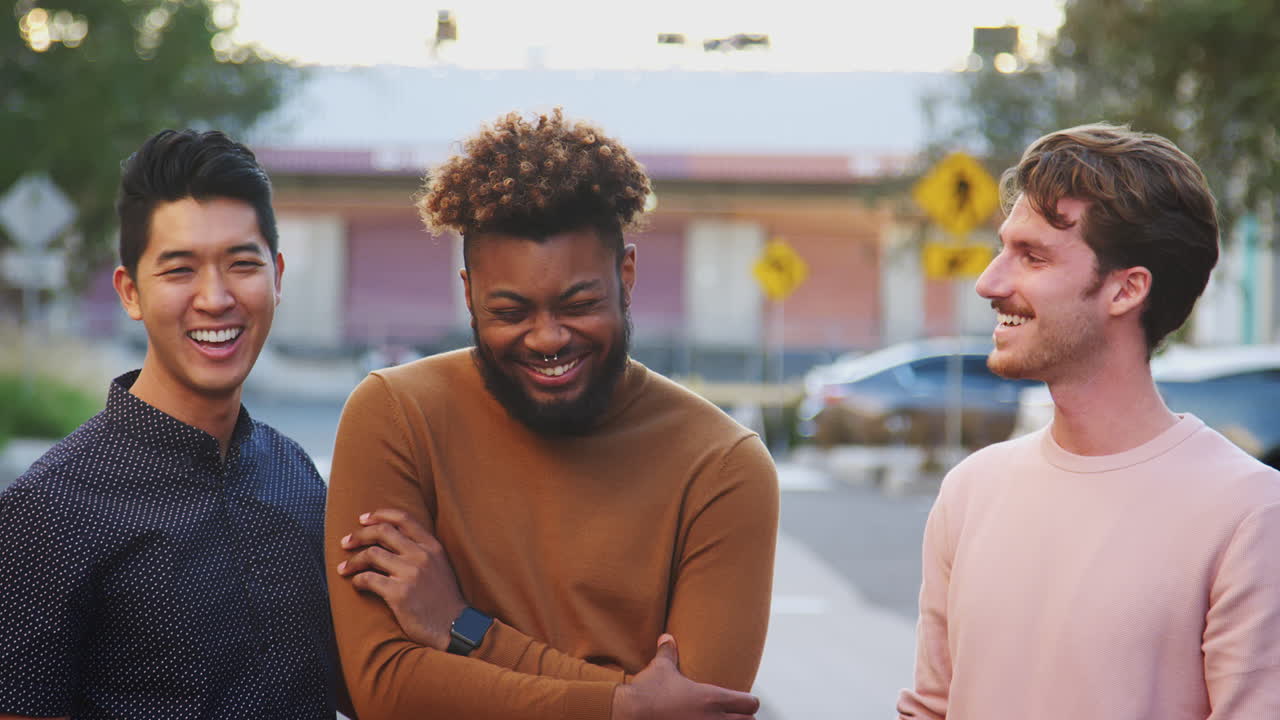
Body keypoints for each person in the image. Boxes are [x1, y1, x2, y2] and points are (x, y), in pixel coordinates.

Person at [325, 109, 779, 719]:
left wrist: (465, 628)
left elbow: (692, 712)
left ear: (627, 276)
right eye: (511, 312)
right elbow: (381, 689)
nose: (547, 339)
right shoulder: (397, 415)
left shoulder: (722, 466)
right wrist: (624, 705)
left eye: (579, 303)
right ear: (468, 295)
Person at [897, 123, 1280, 719]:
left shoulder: (1251, 514)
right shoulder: (970, 491)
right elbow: (929, 710)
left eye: (1032, 256)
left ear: (1126, 290)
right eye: (1003, 248)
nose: (989, 282)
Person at [0, 130, 344, 719]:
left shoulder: (296, 474)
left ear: (278, 278)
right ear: (130, 291)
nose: (215, 298)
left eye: (242, 264)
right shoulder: (49, 509)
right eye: (179, 269)